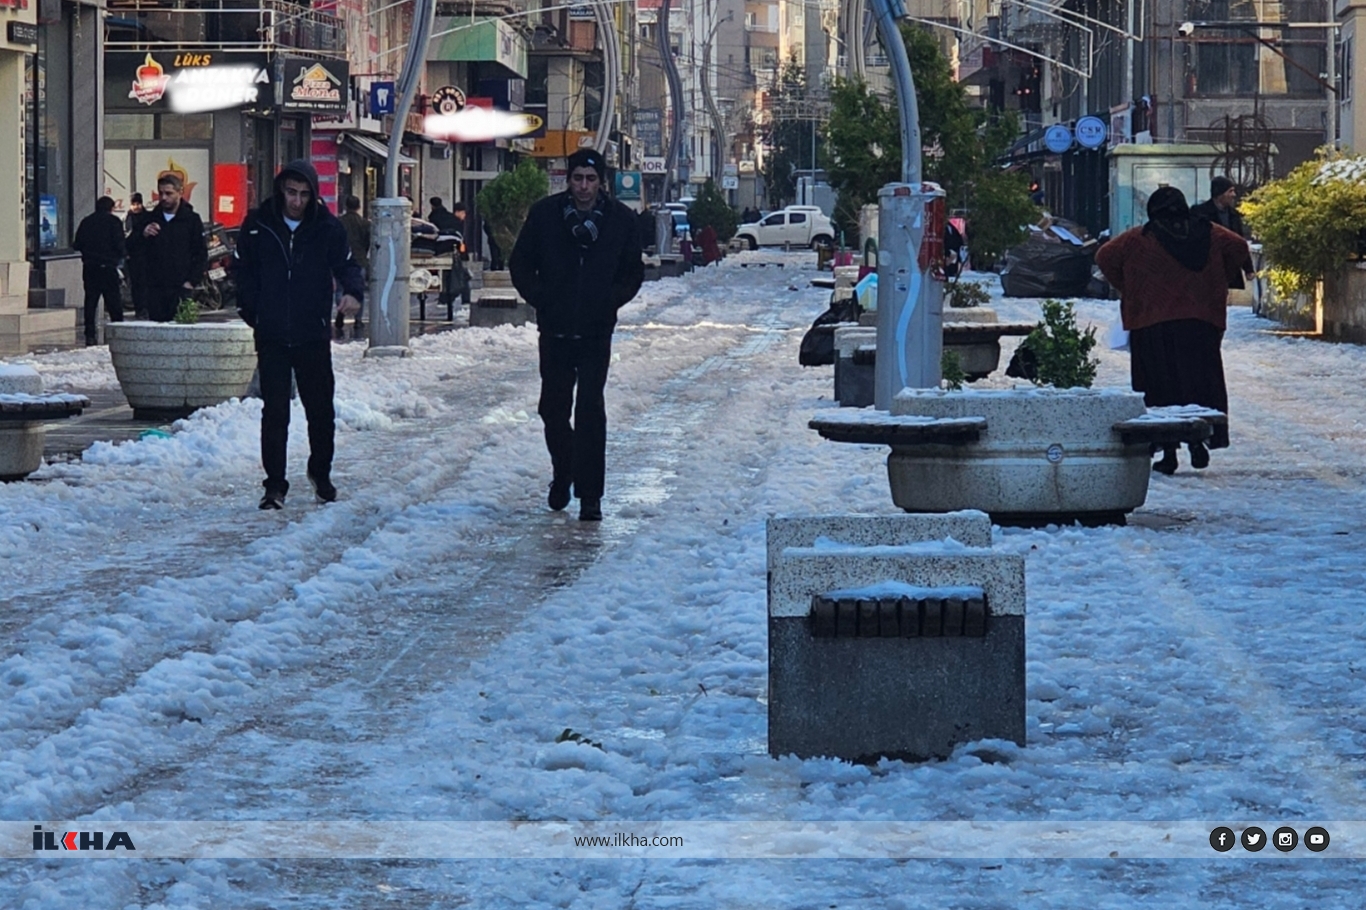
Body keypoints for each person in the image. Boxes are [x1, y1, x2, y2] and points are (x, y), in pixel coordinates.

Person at [509, 147, 644, 521]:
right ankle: (563, 470)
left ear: (601, 182)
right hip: (555, 330)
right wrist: (542, 298)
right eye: (578, 178)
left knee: (590, 410)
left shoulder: (620, 220)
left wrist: (610, 300)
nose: (584, 186)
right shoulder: (545, 215)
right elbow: (521, 263)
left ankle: (590, 496)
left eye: (591, 179)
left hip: (596, 331)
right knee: (553, 410)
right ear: (568, 180)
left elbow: (632, 272)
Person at [235, 160, 364, 510]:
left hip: (312, 332)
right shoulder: (258, 224)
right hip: (272, 333)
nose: (297, 201)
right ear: (281, 189)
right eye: (292, 193)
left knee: (320, 411)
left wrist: (353, 292)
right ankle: (274, 485)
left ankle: (321, 475)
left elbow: (347, 265)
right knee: (275, 412)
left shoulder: (327, 227)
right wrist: (253, 311)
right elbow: (243, 270)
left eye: (304, 194)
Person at [1095, 186, 1250, 474]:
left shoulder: (1139, 239)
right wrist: (1217, 278)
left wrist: (1129, 287)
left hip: (1152, 326)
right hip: (1199, 324)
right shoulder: (1211, 233)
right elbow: (1239, 247)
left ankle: (1168, 453)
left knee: (1159, 388)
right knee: (1197, 384)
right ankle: (1198, 441)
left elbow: (1105, 255)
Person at [125, 174, 207, 322]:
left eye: (169, 193)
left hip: (181, 287)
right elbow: (130, 247)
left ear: (180, 192)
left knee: (182, 327)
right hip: (155, 288)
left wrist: (191, 281)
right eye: (161, 193)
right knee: (157, 328)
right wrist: (143, 234)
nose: (163, 198)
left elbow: (200, 252)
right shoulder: (148, 218)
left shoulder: (191, 219)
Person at [72, 196, 126, 345]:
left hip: (90, 267)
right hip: (108, 267)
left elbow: (77, 244)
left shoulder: (86, 221)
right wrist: (122, 255)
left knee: (91, 301)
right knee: (113, 301)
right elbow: (120, 244)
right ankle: (118, 331)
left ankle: (90, 333)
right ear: (111, 208)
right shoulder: (114, 222)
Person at [336, 195, 369, 331]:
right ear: (359, 206)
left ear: (346, 206)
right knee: (358, 290)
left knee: (340, 289)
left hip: (341, 259)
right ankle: (358, 319)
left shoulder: (339, 222)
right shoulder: (364, 223)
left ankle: (340, 313)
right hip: (360, 259)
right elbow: (368, 242)